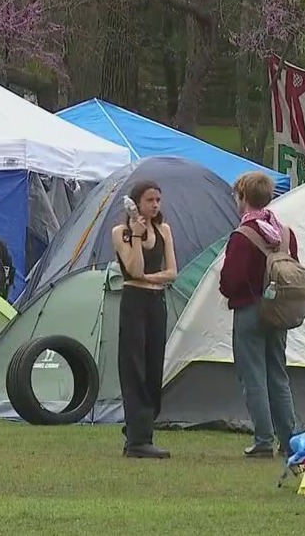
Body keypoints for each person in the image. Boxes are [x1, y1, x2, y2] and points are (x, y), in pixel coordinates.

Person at [218, 171, 300, 459]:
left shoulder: (244, 235)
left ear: (243, 196)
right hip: (279, 310)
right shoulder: (285, 233)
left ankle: (263, 439)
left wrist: (229, 291)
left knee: (253, 376)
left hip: (250, 309)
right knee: (279, 375)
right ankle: (288, 439)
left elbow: (231, 280)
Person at [111, 180, 177, 459]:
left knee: (153, 365)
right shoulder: (121, 232)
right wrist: (136, 237)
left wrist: (151, 278)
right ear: (136, 203)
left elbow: (172, 271)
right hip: (134, 302)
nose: (155, 205)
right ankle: (138, 439)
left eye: (158, 200)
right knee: (134, 365)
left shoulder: (164, 230)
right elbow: (134, 269)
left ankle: (141, 426)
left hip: (156, 302)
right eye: (150, 200)